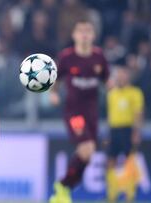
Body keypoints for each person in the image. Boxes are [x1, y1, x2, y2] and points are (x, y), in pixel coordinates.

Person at [49, 19, 110, 203]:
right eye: (81, 31)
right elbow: (55, 81)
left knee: (88, 155)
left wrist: (114, 87)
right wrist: (53, 94)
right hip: (74, 112)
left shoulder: (99, 57)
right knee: (86, 149)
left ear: (93, 35)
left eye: (88, 31)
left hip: (92, 113)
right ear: (74, 35)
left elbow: (107, 81)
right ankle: (62, 186)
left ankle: (64, 188)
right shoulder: (67, 57)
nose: (84, 34)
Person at [106, 66, 144, 203]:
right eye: (118, 75)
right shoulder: (112, 93)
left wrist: (136, 132)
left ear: (128, 76)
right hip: (114, 130)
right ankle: (112, 196)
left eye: (123, 74)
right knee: (110, 162)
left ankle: (129, 196)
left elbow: (138, 114)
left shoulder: (135, 92)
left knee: (130, 162)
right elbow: (110, 115)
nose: (120, 77)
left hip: (128, 130)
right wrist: (109, 133)